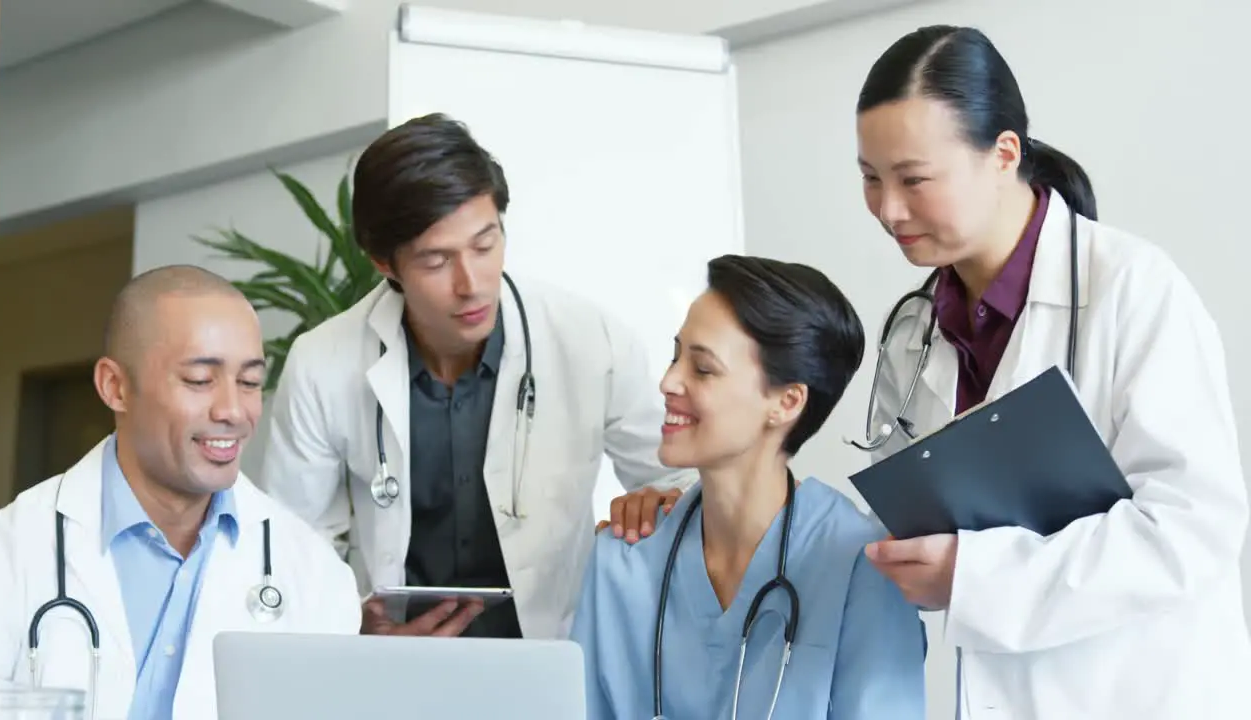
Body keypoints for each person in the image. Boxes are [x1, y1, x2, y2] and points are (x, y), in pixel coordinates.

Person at [851, 25, 1251, 720]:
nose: (889, 209)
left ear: (1003, 153)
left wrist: (973, 576)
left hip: (1148, 695)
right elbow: (901, 523)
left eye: (913, 179)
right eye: (870, 178)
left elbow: (1192, 527)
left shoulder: (1134, 289)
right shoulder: (913, 332)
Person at [259, 112, 694, 641]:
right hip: (400, 669)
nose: (472, 284)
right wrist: (352, 624)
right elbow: (292, 545)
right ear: (384, 263)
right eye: (436, 261)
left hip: (553, 655)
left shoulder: (590, 339)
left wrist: (663, 499)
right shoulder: (321, 363)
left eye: (485, 245)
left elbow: (678, 480)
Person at [0, 266, 361, 720]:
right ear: (115, 387)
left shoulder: (313, 575)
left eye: (251, 382)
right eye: (199, 380)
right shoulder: (0, 559)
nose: (233, 410)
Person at [570, 254, 926, 719]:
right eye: (675, 356)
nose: (667, 381)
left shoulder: (863, 566)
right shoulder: (624, 557)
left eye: (702, 369)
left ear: (786, 401)